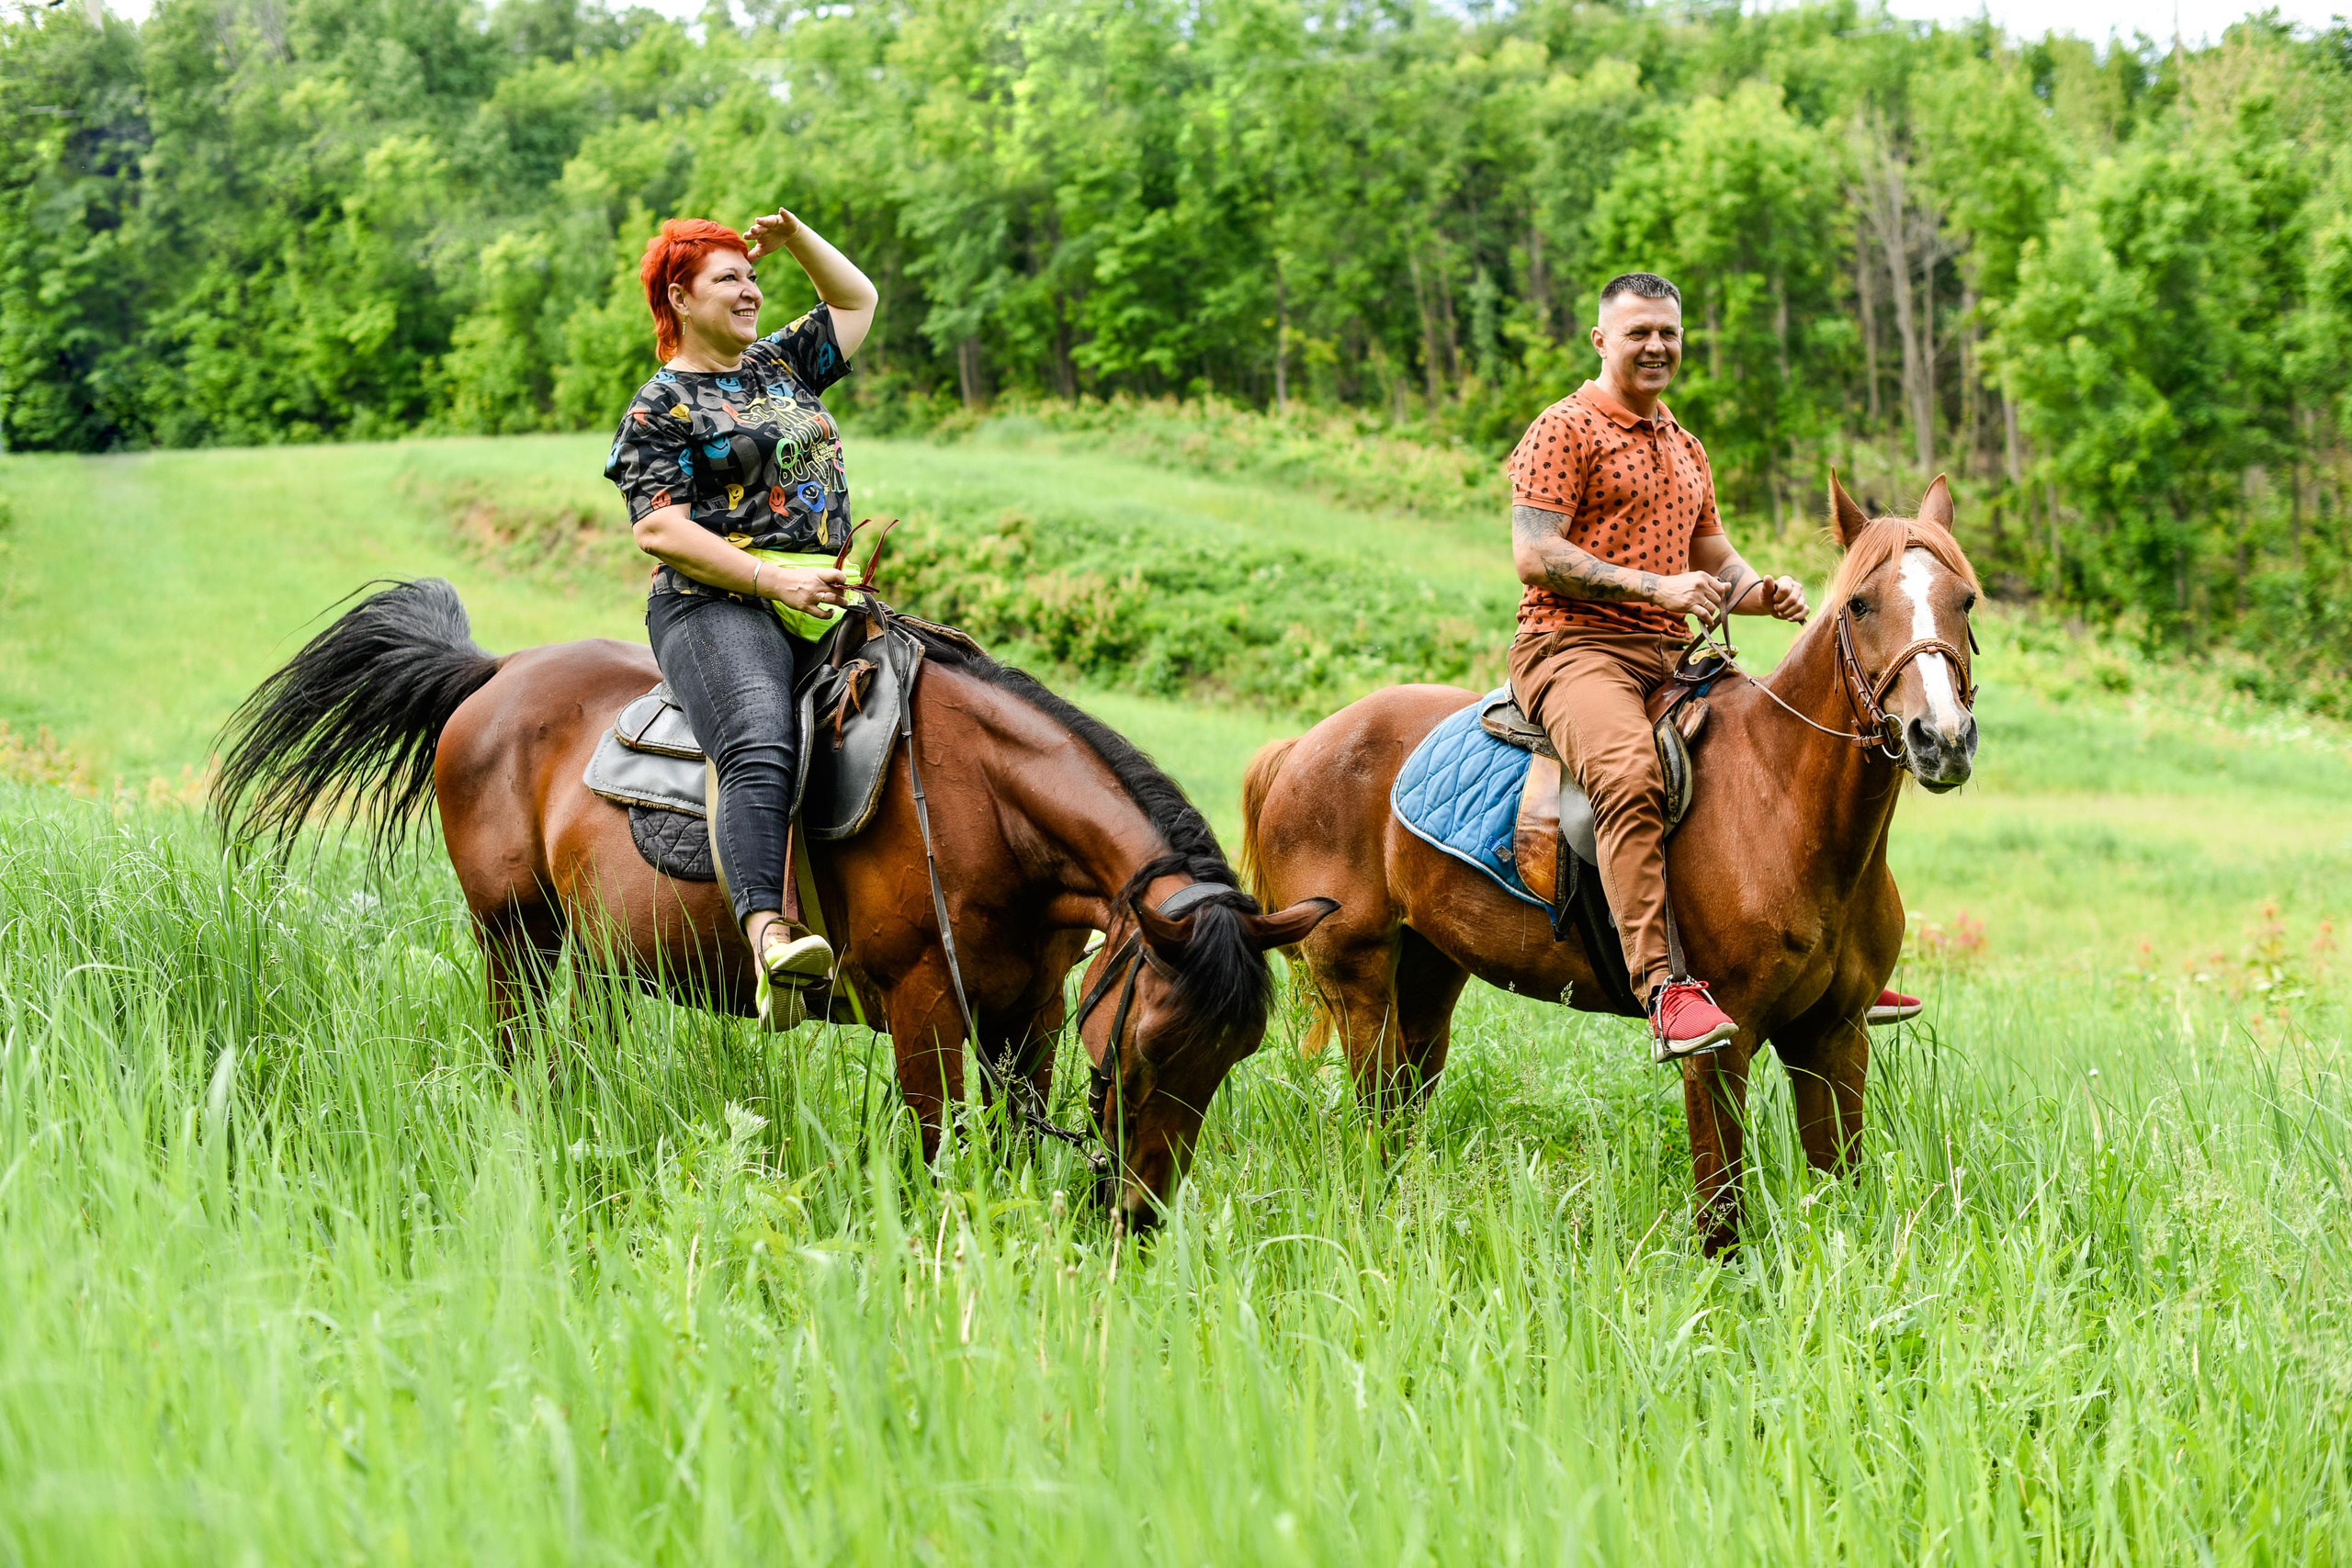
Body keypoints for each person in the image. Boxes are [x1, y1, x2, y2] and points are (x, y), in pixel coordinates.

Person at [1506, 272, 1809, 1062]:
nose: (1656, 346)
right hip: (1572, 648)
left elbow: (1714, 558)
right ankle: (1665, 986)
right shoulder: (1562, 428)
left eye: (1668, 332)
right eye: (1638, 331)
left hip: (1668, 653)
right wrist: (1657, 587)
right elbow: (1534, 553)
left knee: (1782, 750)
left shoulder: (1684, 445)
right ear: (1602, 340)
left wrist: (1761, 592)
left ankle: (1820, 960)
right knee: (1630, 775)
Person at [604, 209, 878, 1030]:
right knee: (759, 737)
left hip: (827, 593)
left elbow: (859, 301)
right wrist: (767, 581)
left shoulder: (781, 363)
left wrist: (794, 241)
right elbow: (658, 527)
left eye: (752, 276)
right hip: (714, 605)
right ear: (680, 299)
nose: (752, 291)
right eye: (731, 278)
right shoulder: (662, 404)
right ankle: (770, 940)